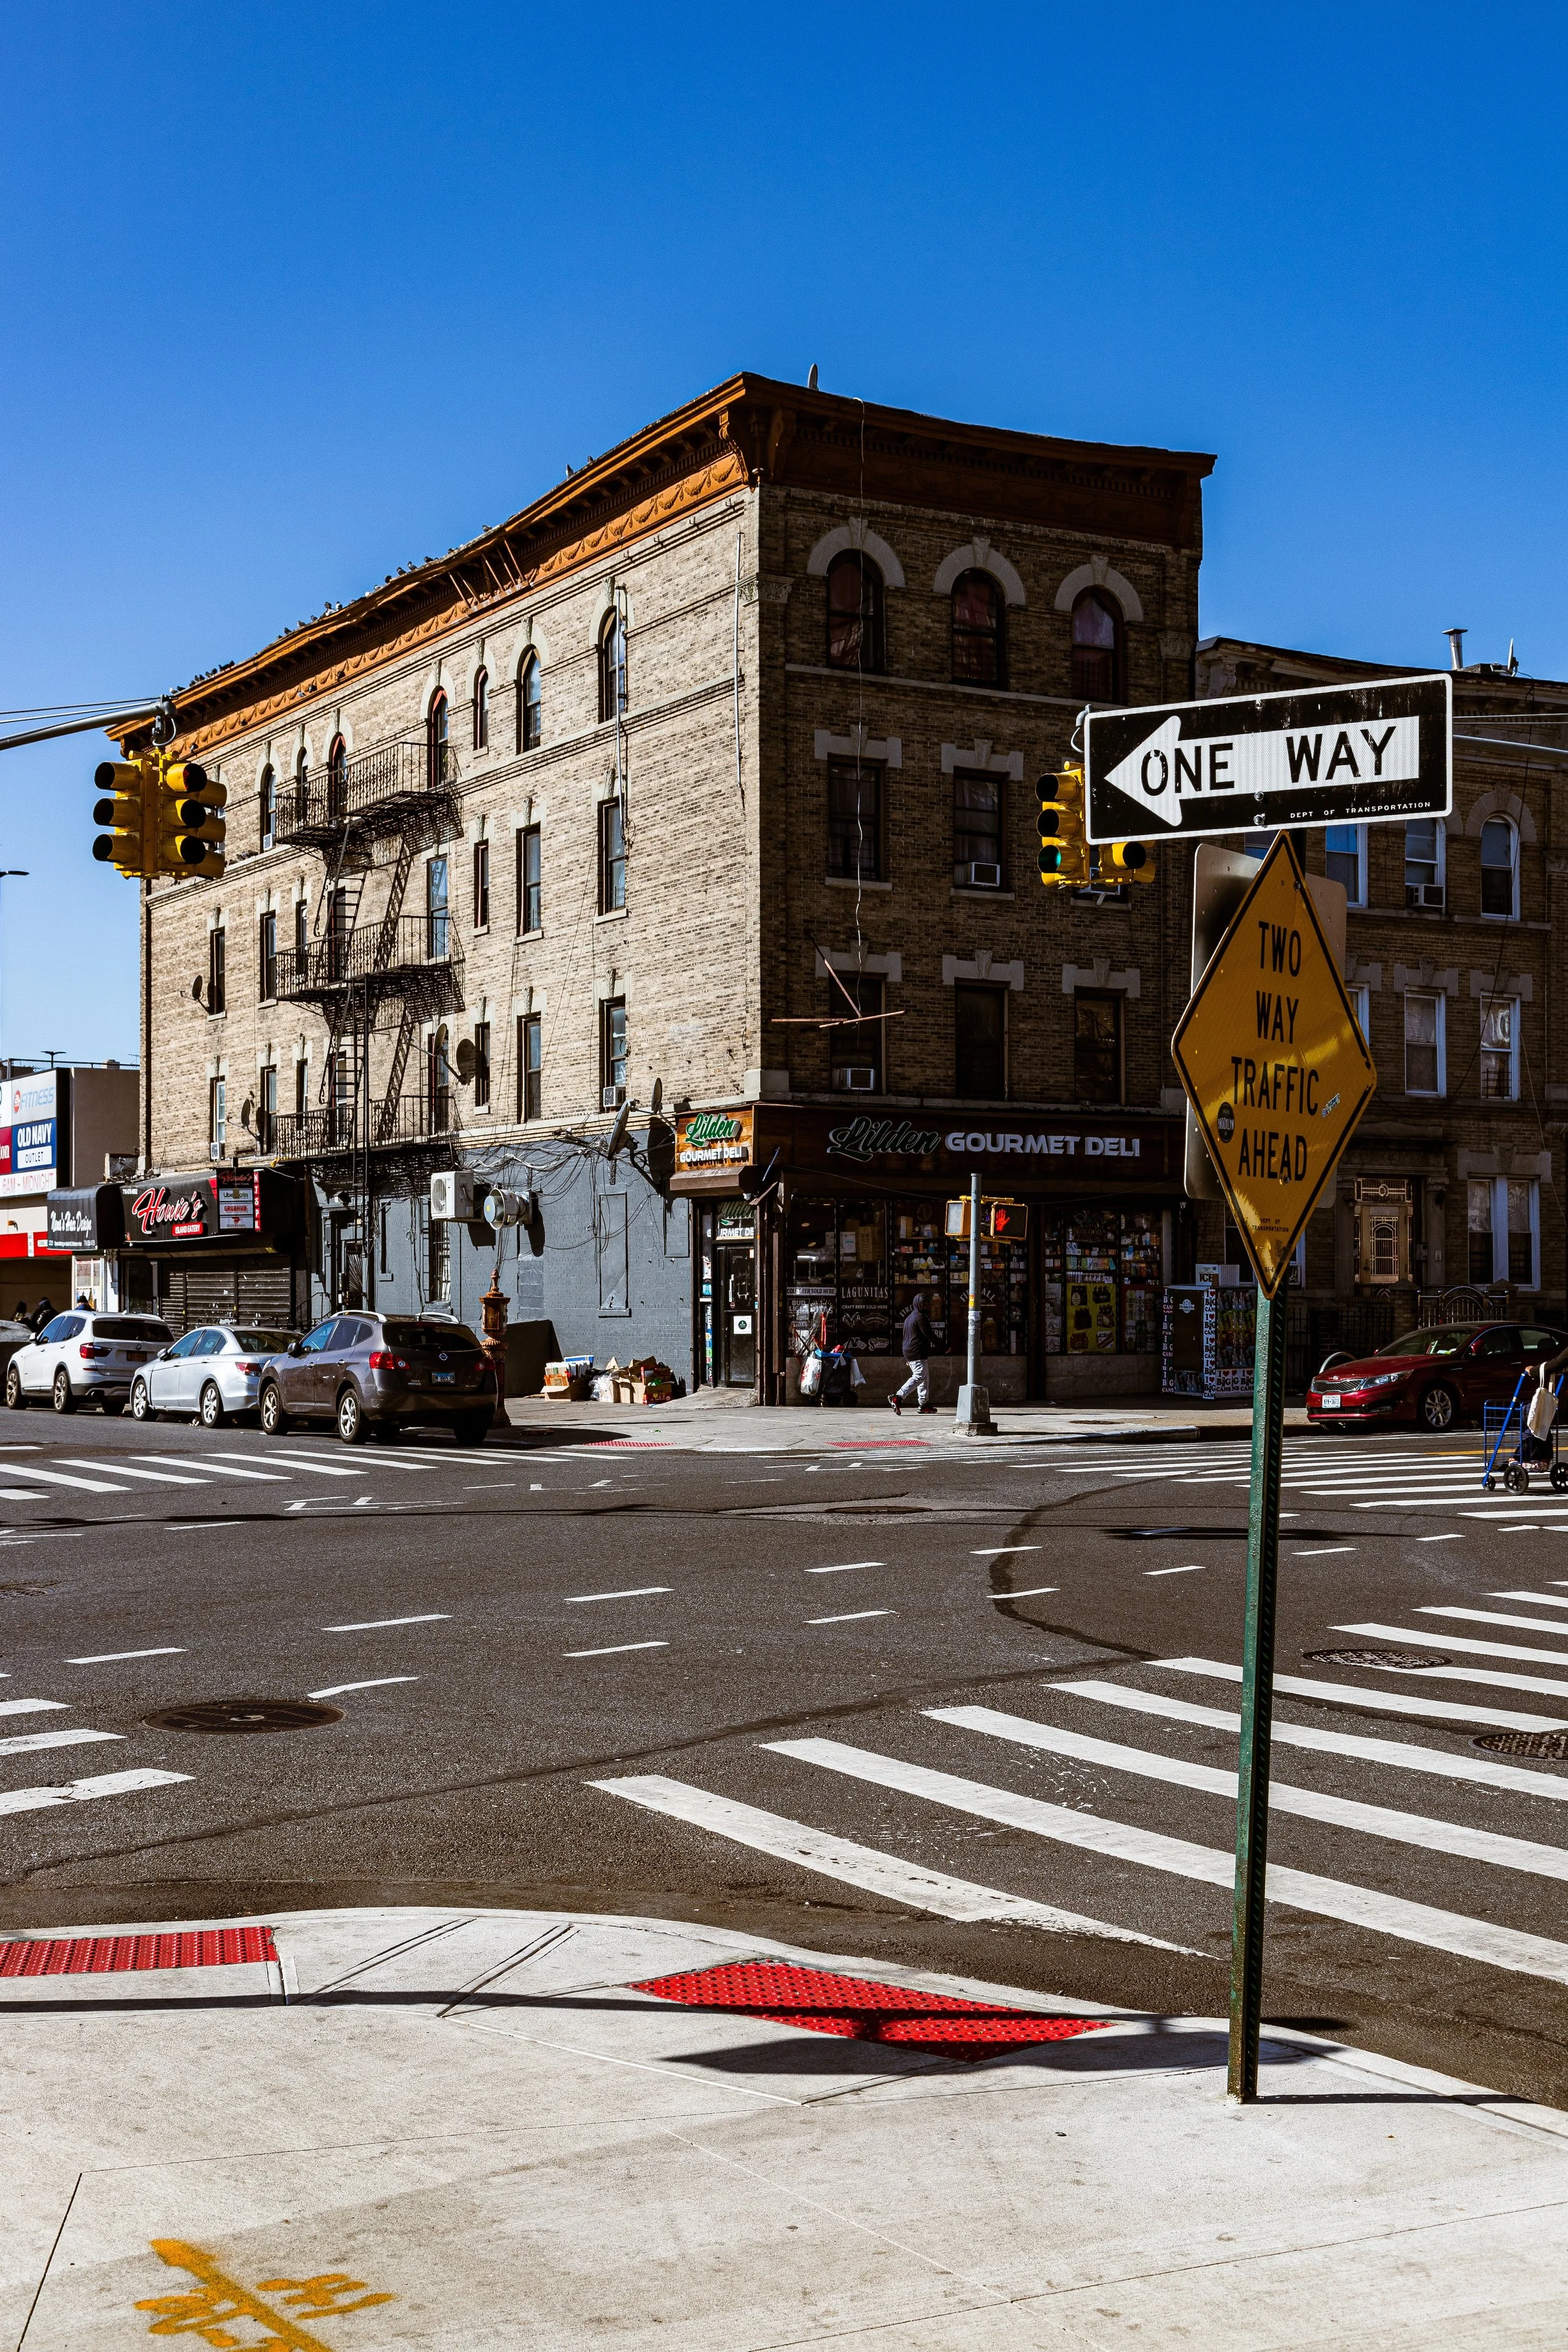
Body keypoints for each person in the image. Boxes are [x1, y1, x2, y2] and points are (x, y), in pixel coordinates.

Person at [891, 1293, 936, 1416]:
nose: (927, 1306)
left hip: (912, 1352)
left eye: (928, 1303)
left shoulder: (910, 1318)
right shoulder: (920, 1317)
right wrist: (945, 1347)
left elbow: (905, 1337)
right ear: (918, 1304)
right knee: (920, 1376)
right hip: (917, 1352)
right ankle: (898, 1397)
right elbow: (929, 1335)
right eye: (924, 1303)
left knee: (924, 1377)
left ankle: (924, 1404)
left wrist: (908, 1357)